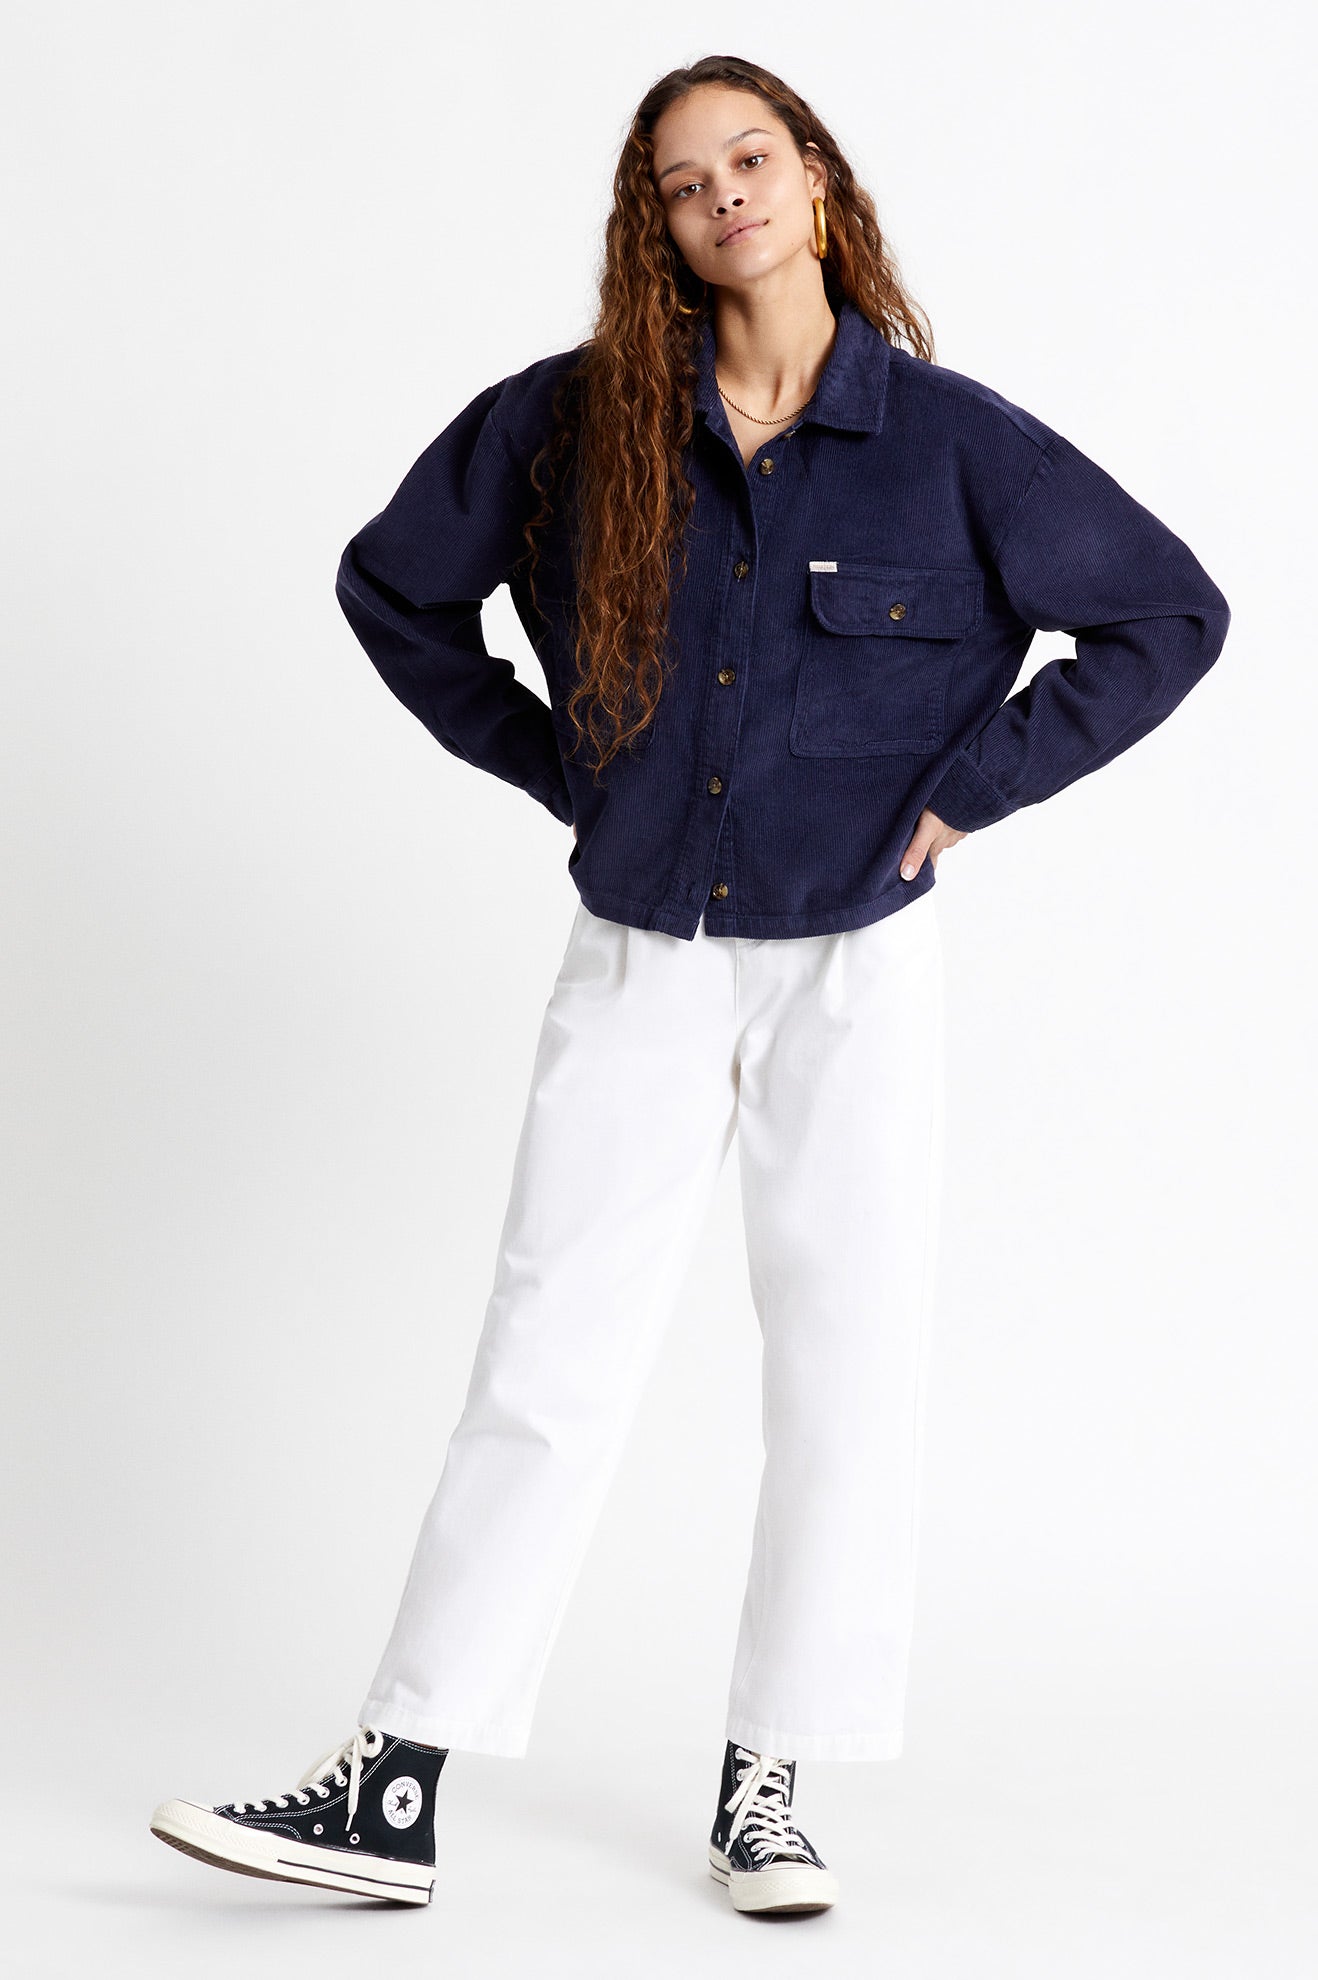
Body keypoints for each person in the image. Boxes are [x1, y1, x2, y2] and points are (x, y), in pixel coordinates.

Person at [149, 55, 1230, 1918]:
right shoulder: (570, 423)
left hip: (854, 961)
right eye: (680, 179)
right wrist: (561, 760)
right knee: (546, 1357)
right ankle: (395, 1785)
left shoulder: (951, 442)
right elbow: (394, 590)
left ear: (814, 179)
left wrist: (971, 789)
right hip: (644, 945)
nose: (722, 191)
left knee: (843, 1366)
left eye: (749, 155)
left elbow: (1168, 613)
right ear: (650, 225)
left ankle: (768, 1783)